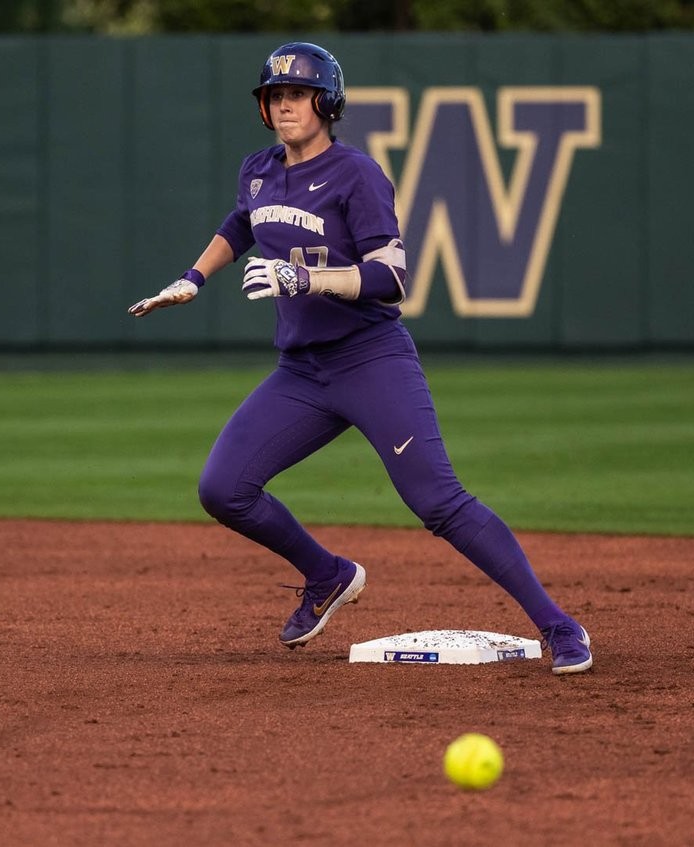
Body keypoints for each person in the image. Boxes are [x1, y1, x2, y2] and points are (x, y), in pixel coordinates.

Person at [128, 42, 593, 675]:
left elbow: (391, 277)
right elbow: (241, 224)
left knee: (439, 502)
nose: (284, 104)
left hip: (370, 358)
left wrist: (306, 279)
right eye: (274, 96)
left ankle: (560, 625)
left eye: (297, 94)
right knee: (223, 489)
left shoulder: (357, 174)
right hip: (302, 372)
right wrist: (193, 278)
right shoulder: (259, 169)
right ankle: (328, 575)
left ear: (327, 103)